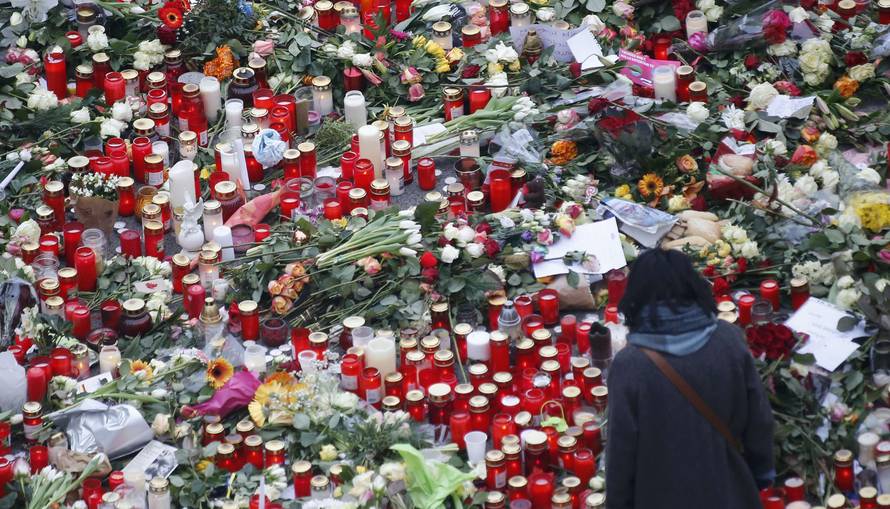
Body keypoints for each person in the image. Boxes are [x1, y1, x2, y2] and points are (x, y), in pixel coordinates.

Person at [605, 248, 774, 508]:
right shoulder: (728, 340)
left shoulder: (630, 366)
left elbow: (621, 451)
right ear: (693, 287)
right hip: (727, 489)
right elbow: (758, 418)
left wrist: (618, 503)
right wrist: (760, 472)